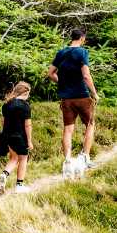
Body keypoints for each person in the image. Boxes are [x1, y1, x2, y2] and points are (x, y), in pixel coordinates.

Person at [48, 28, 98, 168]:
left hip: (66, 98)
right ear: (82, 38)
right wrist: (94, 92)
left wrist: (62, 82)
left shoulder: (61, 53)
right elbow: (86, 76)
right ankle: (86, 157)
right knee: (90, 124)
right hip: (81, 96)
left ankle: (68, 160)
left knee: (68, 129)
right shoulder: (82, 52)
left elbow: (50, 73)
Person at [0, 81, 34, 194]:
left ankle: (4, 175)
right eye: (28, 93)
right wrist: (29, 141)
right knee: (23, 159)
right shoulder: (25, 106)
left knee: (14, 158)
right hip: (20, 137)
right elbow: (27, 125)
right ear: (25, 92)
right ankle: (19, 185)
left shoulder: (7, 104)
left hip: (8, 135)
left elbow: (4, 122)